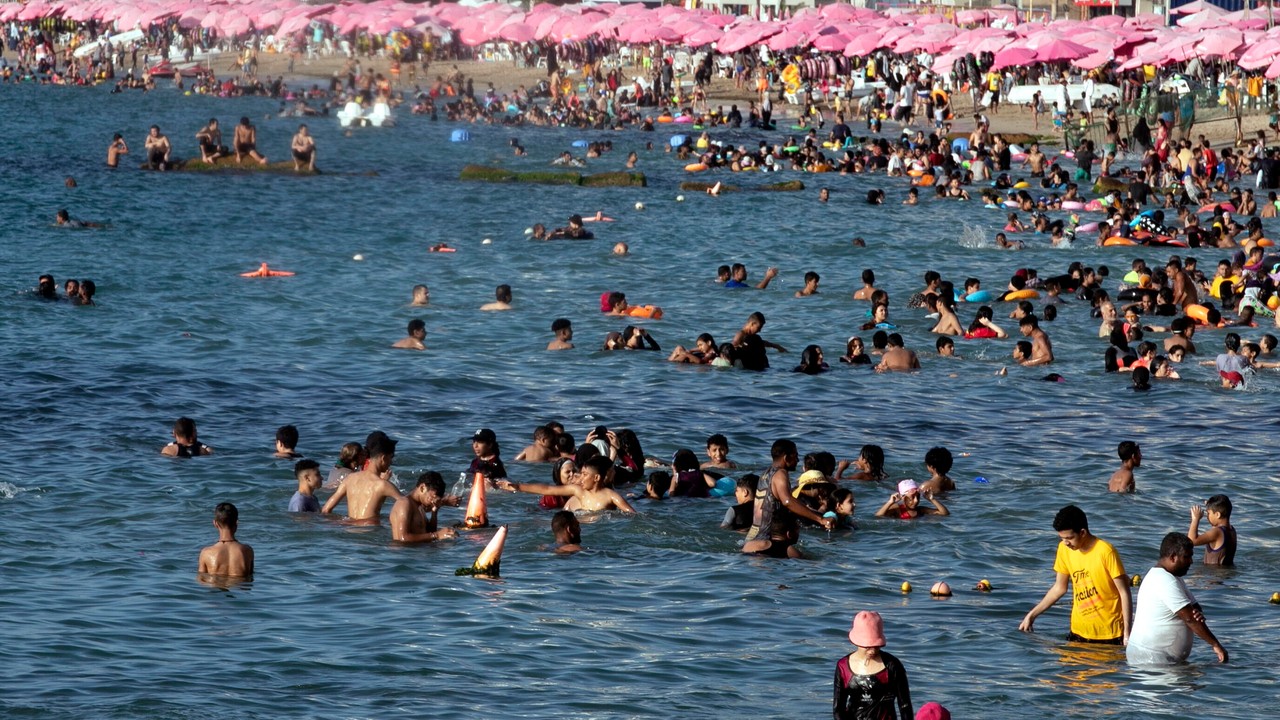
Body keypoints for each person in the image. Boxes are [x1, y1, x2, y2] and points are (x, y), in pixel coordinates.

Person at [1019, 504, 1131, 645]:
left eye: (1069, 538)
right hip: (1078, 632)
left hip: (1109, 635)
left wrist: (1127, 633)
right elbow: (1059, 588)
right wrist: (1032, 615)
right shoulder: (1064, 549)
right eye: (1062, 538)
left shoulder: (1106, 551)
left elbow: (1124, 592)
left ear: (1082, 532)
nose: (1066, 543)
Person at [1126, 532, 1229, 665]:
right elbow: (1190, 618)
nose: (1191, 561)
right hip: (1150, 657)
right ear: (1173, 557)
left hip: (1160, 657)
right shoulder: (1164, 580)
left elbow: (1195, 608)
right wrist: (1216, 645)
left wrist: (1194, 613)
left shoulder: (1174, 578)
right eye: (1187, 557)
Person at [745, 439, 836, 553]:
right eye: (795, 456)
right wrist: (821, 519)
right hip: (769, 539)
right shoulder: (780, 474)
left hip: (753, 537)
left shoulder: (765, 474)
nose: (798, 460)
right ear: (786, 458)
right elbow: (788, 501)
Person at [833, 610, 913, 720]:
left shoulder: (892, 665)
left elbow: (905, 705)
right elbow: (838, 709)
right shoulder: (843, 667)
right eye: (867, 646)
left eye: (876, 646)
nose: (872, 651)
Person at [498, 456, 636, 513]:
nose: (580, 477)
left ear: (597, 478)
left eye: (585, 474)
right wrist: (518, 486)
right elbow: (547, 489)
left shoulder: (611, 496)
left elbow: (632, 515)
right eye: (581, 473)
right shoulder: (578, 492)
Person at [320, 433, 404, 523]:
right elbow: (407, 504)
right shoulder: (383, 485)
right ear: (383, 458)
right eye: (391, 458)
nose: (391, 462)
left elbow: (325, 510)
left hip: (349, 531)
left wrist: (344, 523)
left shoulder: (349, 479)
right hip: (371, 533)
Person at [389, 472, 459, 543]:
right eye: (432, 497)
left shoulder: (419, 506)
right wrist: (437, 535)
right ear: (422, 488)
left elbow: (428, 533)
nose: (433, 501)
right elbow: (403, 538)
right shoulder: (404, 503)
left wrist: (434, 512)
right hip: (405, 553)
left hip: (417, 551)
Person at [197, 503, 254, 579]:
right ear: (237, 522)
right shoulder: (247, 551)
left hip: (215, 588)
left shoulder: (206, 553)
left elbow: (201, 582)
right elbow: (250, 579)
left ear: (215, 523)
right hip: (239, 589)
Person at [1188, 494, 1236, 566]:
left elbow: (1191, 541)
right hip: (1225, 573)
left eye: (1208, 513)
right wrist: (1211, 506)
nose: (1207, 516)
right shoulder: (1232, 530)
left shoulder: (1217, 532)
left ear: (1217, 515)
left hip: (1213, 574)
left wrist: (1195, 519)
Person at [874, 479, 949, 518]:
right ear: (903, 497)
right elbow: (878, 516)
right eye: (912, 497)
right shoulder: (897, 509)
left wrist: (932, 499)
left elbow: (944, 513)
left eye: (918, 497)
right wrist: (890, 502)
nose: (916, 500)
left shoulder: (921, 510)